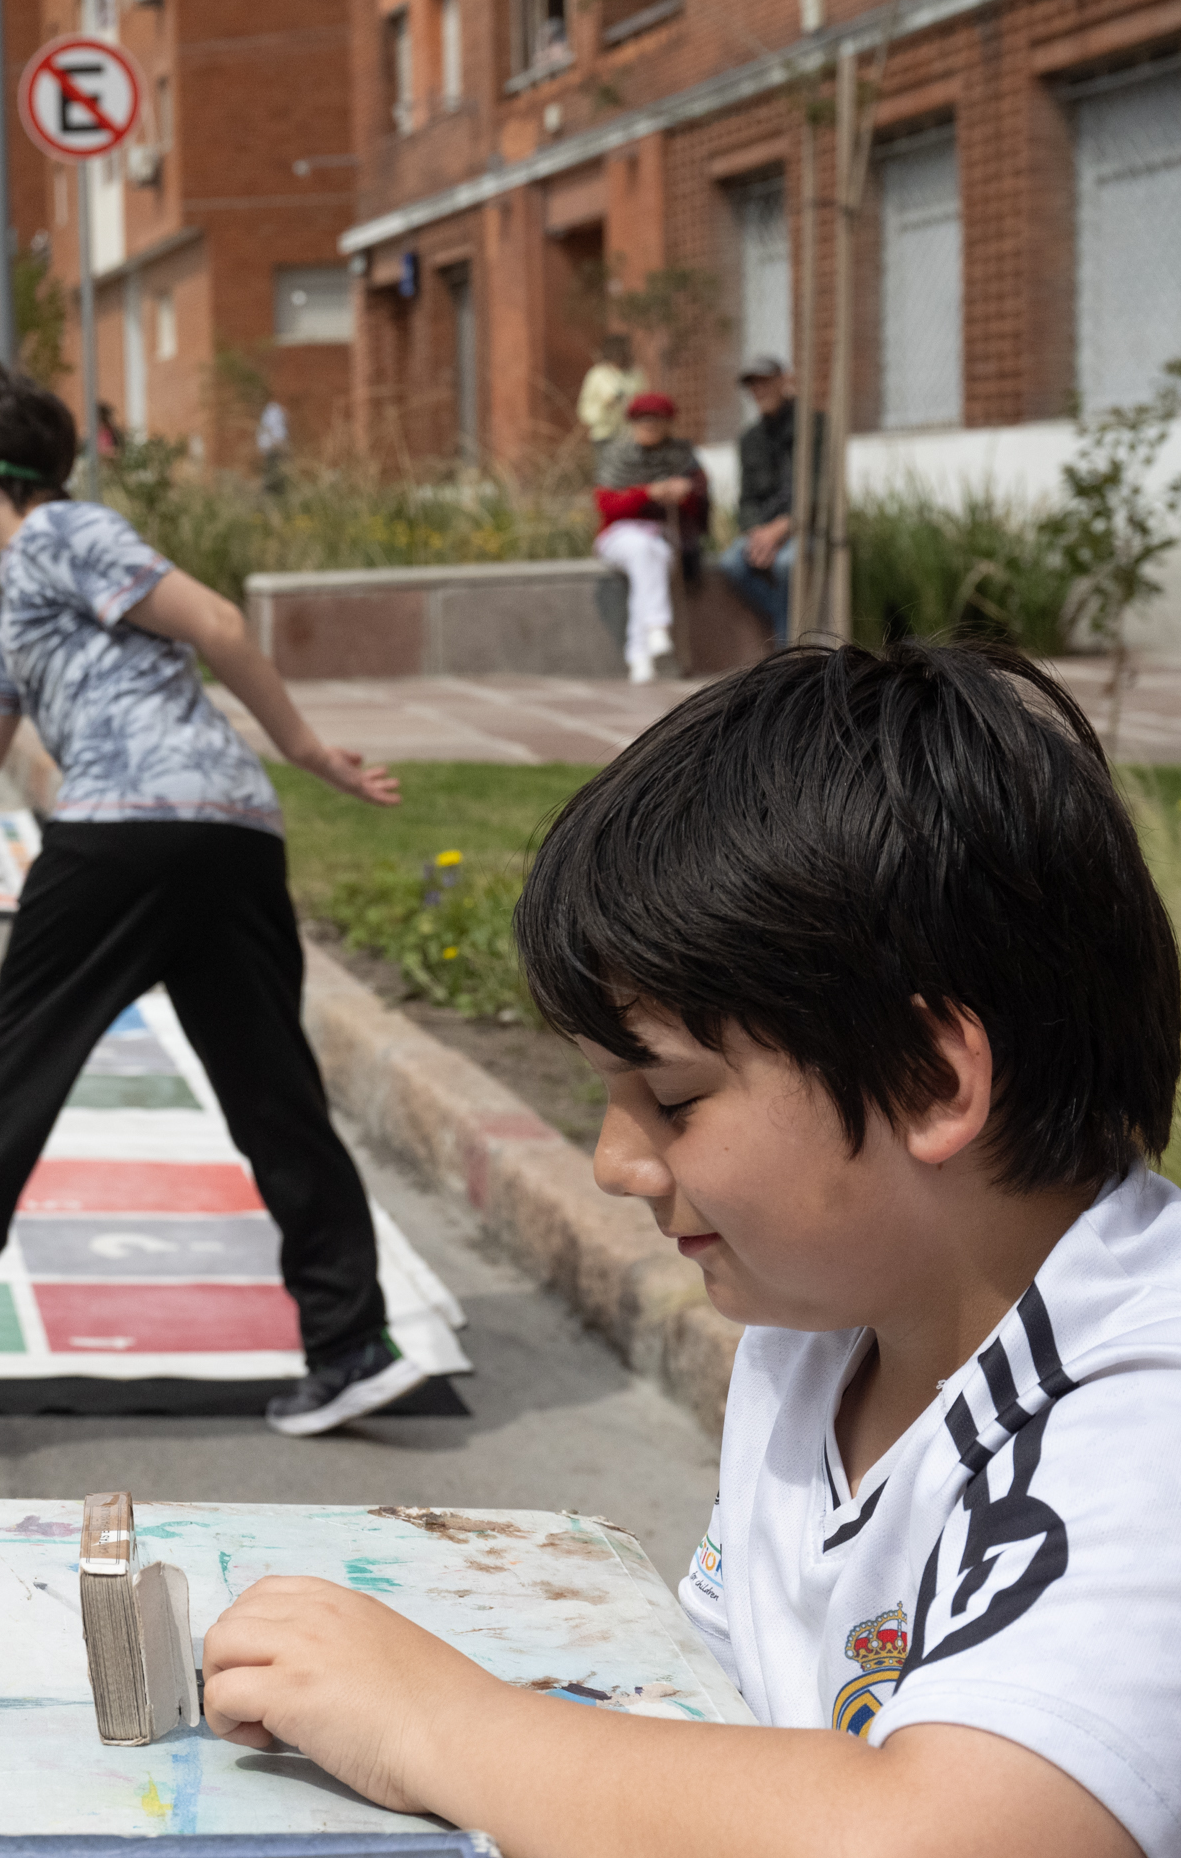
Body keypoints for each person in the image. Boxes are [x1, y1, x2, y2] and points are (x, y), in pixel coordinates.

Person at [200, 640, 1181, 1858]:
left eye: (671, 1097)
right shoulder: (820, 1333)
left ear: (931, 1078)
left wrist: (444, 1723)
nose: (617, 1160)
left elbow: (959, 1832)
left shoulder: (1139, 1419)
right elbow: (713, 1717)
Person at [0, 368, 419, 1437]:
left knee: (22, 1052)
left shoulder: (58, 534)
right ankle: (350, 1341)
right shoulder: (20, 598)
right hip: (228, 836)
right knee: (270, 1090)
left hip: (122, 830)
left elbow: (218, 620)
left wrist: (306, 746)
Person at [591, 391, 708, 686]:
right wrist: (648, 493)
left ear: (668, 424)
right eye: (643, 421)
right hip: (619, 535)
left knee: (651, 553)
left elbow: (701, 506)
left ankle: (638, 656)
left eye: (656, 422)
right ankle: (656, 624)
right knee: (644, 550)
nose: (649, 427)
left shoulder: (682, 456)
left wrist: (684, 494)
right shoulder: (617, 454)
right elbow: (606, 504)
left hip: (662, 536)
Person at [728, 355, 800, 644]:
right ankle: (785, 626)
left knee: (785, 564)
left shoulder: (813, 428)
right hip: (765, 531)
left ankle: (787, 645)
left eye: (765, 382)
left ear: (784, 380)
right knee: (732, 563)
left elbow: (824, 492)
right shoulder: (750, 439)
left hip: (803, 527)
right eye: (752, 385)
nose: (759, 390)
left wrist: (782, 528)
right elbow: (746, 499)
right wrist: (757, 531)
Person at [577, 332, 645, 445]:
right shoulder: (597, 375)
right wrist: (605, 405)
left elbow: (644, 402)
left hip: (630, 435)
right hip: (604, 434)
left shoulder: (636, 375)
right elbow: (584, 411)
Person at [255, 397, 292, 499]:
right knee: (275, 476)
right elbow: (276, 434)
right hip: (274, 451)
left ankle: (271, 496)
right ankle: (271, 496)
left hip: (272, 450)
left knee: (275, 476)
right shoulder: (273, 412)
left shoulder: (268, 413)